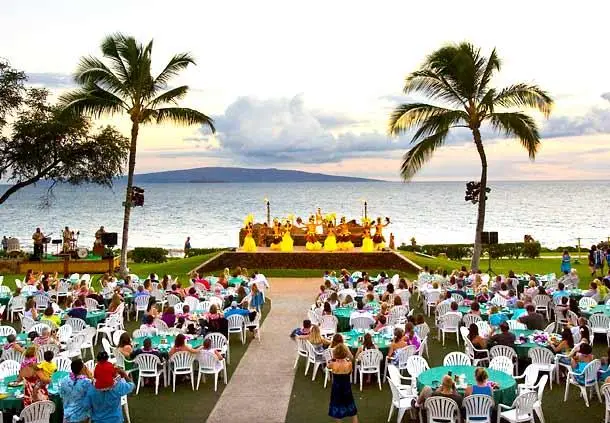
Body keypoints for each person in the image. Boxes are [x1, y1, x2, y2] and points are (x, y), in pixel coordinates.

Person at [87, 352, 135, 423]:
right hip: (115, 420)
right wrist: (124, 374)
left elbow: (87, 407)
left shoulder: (91, 389)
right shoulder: (117, 387)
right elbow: (132, 385)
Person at [327, 343, 359, 422]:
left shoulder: (333, 364)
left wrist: (331, 360)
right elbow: (350, 372)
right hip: (346, 387)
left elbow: (328, 366)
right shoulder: (349, 363)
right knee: (351, 405)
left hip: (336, 388)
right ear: (345, 353)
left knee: (337, 407)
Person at [60, 358, 93, 423]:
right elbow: (93, 397)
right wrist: (89, 376)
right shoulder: (86, 382)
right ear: (82, 369)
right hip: (81, 416)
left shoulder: (64, 379)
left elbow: (61, 396)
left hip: (68, 415)